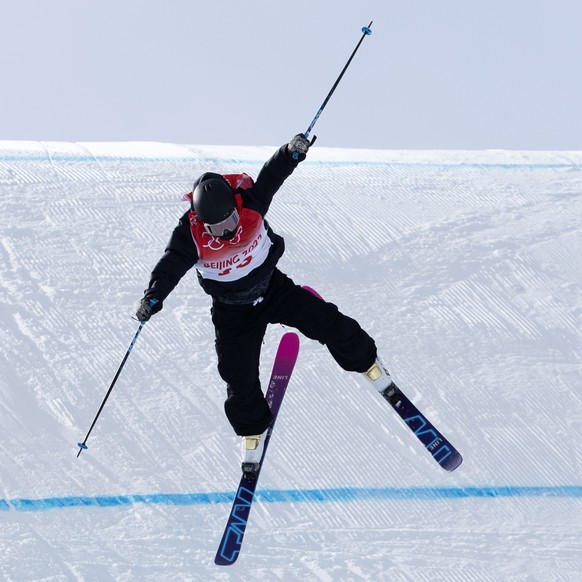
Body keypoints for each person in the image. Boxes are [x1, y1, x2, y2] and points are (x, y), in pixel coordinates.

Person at [135, 134, 393, 475]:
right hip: (232, 311)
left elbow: (273, 174)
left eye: (230, 222)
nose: (226, 233)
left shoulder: (251, 201)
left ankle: (367, 362)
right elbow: (170, 266)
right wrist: (153, 296)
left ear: (235, 207)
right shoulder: (189, 234)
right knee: (237, 376)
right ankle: (252, 430)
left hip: (273, 288)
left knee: (328, 322)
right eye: (218, 228)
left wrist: (291, 153)